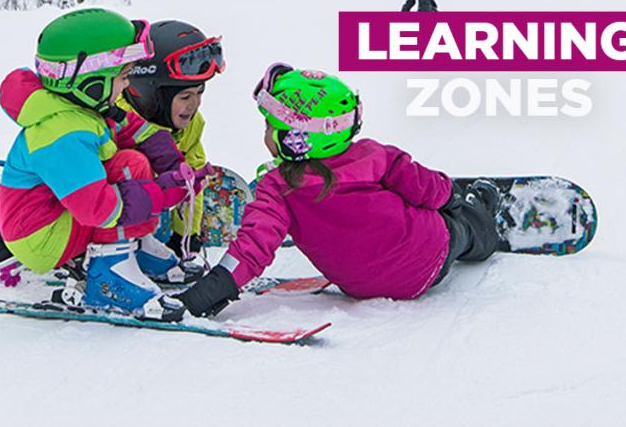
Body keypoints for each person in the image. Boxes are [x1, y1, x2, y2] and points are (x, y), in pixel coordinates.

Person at [176, 65, 502, 318]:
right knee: (460, 226)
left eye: (270, 127)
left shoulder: (276, 189)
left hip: (360, 286)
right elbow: (430, 191)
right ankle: (480, 215)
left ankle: (470, 213)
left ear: (293, 138)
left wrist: (203, 296)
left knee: (440, 213)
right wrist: (451, 196)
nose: (266, 134)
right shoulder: (375, 156)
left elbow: (251, 248)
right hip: (430, 254)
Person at [0, 8, 196, 318]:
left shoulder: (83, 106)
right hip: (40, 235)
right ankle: (110, 274)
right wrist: (159, 193)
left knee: (134, 160)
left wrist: (165, 154)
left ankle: (133, 250)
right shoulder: (62, 133)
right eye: (124, 77)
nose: (127, 87)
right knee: (125, 167)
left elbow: (126, 126)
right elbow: (98, 209)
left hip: (57, 217)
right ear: (92, 82)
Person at [118, 19, 226, 280]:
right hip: (103, 219)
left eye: (199, 93)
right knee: (132, 163)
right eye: (185, 97)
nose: (195, 105)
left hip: (150, 209)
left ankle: (146, 243)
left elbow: (192, 176)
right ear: (149, 94)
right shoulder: (116, 121)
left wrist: (185, 236)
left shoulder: (191, 125)